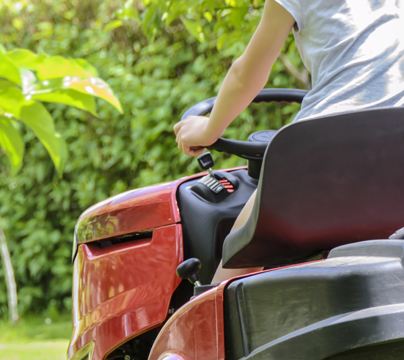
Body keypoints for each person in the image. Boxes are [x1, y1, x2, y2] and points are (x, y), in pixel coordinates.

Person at [173, 0, 404, 283]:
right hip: (396, 151)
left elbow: (245, 75)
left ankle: (210, 318)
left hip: (326, 149)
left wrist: (208, 130)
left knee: (239, 251)